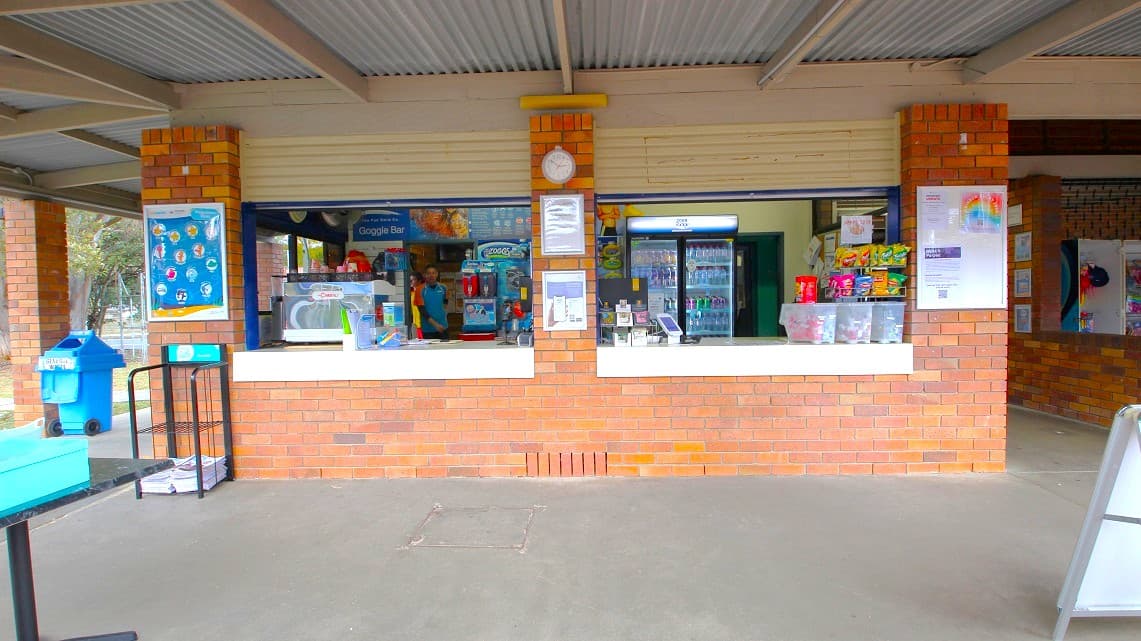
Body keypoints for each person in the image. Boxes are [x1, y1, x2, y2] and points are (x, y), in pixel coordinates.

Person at [419, 264, 449, 339]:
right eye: (428, 273)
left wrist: (443, 318)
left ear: (437, 274)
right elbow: (422, 311)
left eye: (433, 273)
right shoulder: (420, 290)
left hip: (443, 327)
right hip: (428, 330)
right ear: (425, 275)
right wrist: (435, 325)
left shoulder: (443, 288)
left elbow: (445, 304)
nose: (431, 275)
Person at [408, 271, 425, 339]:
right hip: (415, 324)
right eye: (410, 279)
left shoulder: (424, 292)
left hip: (423, 323)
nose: (411, 281)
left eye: (413, 279)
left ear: (419, 281)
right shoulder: (411, 293)